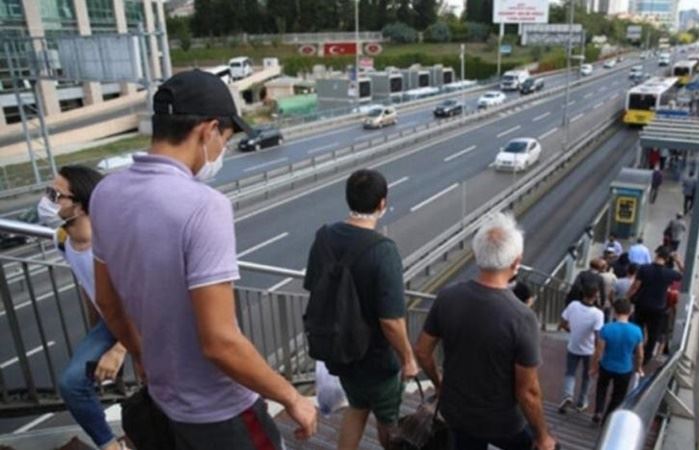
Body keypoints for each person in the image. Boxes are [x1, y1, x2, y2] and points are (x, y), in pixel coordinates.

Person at [90, 70, 317, 449]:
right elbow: (220, 342)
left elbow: (108, 301)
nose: (222, 151)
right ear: (208, 130)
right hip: (220, 409)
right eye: (225, 139)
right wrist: (290, 397)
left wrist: (144, 356)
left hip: (166, 400)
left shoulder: (106, 192)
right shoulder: (204, 206)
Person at [415, 213, 557, 450]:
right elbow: (528, 391)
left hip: (457, 414)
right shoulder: (522, 317)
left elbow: (422, 351)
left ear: (477, 254)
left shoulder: (448, 296)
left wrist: (440, 384)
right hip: (504, 424)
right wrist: (543, 436)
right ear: (516, 262)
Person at [303, 169, 418, 450]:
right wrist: (408, 358)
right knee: (388, 421)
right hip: (378, 361)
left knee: (356, 407)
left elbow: (314, 286)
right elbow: (391, 321)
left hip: (340, 351)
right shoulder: (383, 251)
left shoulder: (324, 238)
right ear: (382, 203)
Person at [37, 166, 128, 450]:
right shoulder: (62, 240)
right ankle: (110, 445)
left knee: (164, 385)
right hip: (109, 322)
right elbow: (89, 286)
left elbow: (141, 300)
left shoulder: (113, 243)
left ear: (79, 205)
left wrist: (118, 349)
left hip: (143, 320)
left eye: (56, 195)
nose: (48, 201)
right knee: (72, 383)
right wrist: (97, 335)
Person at [626, 246, 684, 365]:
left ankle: (635, 351)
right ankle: (645, 359)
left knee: (637, 328)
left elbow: (636, 286)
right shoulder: (669, 273)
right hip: (658, 307)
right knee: (653, 334)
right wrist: (678, 260)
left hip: (641, 304)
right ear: (667, 259)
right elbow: (684, 274)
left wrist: (626, 297)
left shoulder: (644, 268)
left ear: (656, 255)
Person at [590, 299, 644, 424]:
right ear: (630, 312)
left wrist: (594, 367)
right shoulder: (637, 331)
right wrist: (638, 367)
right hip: (625, 369)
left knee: (601, 389)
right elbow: (640, 354)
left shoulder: (607, 329)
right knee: (618, 396)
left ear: (614, 311)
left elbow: (599, 351)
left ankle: (598, 411)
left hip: (606, 365)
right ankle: (608, 419)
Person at [558, 284, 604, 414]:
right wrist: (598, 353)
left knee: (570, 373)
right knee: (587, 376)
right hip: (589, 350)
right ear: (595, 297)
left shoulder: (573, 305)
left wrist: (571, 330)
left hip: (573, 345)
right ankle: (582, 402)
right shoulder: (598, 314)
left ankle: (567, 395)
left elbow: (562, 323)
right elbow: (597, 335)